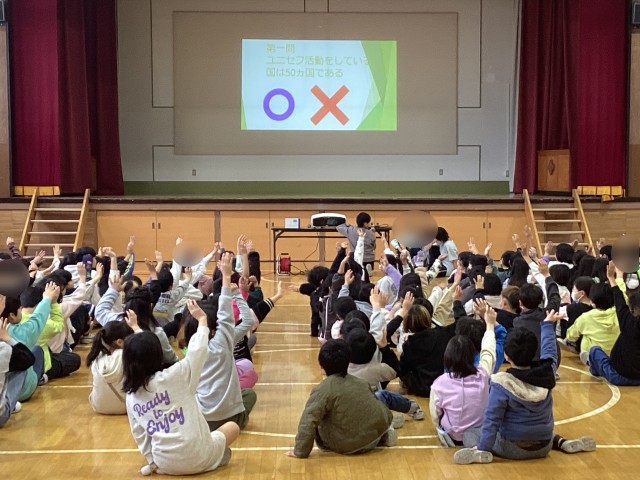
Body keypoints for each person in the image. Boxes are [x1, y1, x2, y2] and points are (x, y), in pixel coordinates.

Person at [454, 310, 596, 464]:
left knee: (470, 433)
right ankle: (561, 442)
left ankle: (479, 452)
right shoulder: (547, 373)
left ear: (507, 356)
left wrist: (484, 447)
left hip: (512, 448)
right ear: (534, 351)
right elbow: (550, 353)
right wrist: (547, 325)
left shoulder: (501, 382)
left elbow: (492, 420)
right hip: (544, 446)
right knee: (536, 428)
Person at [123, 299, 240, 476]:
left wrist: (151, 459)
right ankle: (213, 460)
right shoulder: (176, 375)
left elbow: (139, 432)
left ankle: (161, 467)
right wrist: (202, 321)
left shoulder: (132, 396)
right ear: (158, 355)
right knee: (232, 427)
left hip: (164, 462)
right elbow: (197, 351)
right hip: (199, 455)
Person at [286, 340, 396, 458]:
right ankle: (385, 434)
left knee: (319, 418)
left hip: (347, 446)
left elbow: (308, 420)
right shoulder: (360, 382)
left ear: (322, 366)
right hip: (376, 435)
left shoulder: (323, 390)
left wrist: (300, 451)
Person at [430, 305, 497, 447]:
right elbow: (488, 350)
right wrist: (490, 326)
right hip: (479, 432)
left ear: (447, 357)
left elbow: (435, 415)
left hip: (452, 435)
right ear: (473, 355)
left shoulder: (439, 383)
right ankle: (474, 445)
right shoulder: (483, 373)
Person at [587, 262, 640, 386]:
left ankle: (594, 370)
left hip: (618, 376)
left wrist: (611, 277)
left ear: (632, 308)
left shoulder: (628, 321)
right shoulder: (628, 320)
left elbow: (619, 299)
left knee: (594, 350)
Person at [86, 320, 134, 414]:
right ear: (119, 342)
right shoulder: (126, 355)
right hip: (125, 407)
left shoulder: (97, 356)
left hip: (98, 406)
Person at [566, 282, 620, 365]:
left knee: (584, 335)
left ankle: (591, 360)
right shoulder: (619, 313)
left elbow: (571, 336)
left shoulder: (586, 317)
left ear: (592, 301)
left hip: (594, 355)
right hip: (614, 355)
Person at [0, 318, 36, 426]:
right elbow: (29, 358)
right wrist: (7, 338)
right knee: (22, 365)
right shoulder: (4, 349)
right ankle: (9, 403)